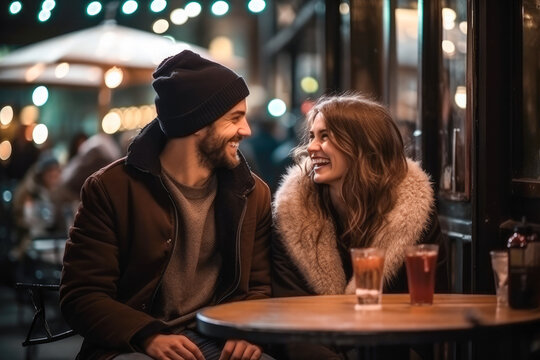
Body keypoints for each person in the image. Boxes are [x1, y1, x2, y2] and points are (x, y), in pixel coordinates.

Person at [60, 50, 273, 360]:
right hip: (133, 344)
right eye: (235, 118)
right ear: (198, 123)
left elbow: (259, 287)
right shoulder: (110, 188)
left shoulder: (253, 193)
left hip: (218, 338)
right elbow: (81, 295)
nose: (247, 130)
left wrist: (247, 330)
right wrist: (147, 335)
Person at [271, 92, 448, 359]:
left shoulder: (414, 212)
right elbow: (289, 315)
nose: (311, 147)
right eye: (312, 136)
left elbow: (431, 305)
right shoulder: (292, 214)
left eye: (326, 136)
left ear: (363, 145)